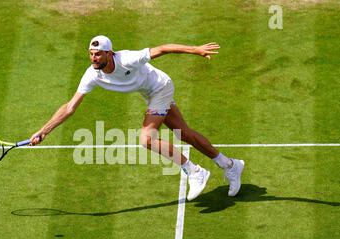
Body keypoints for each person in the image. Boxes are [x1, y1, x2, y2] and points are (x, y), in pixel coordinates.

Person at [29, 35, 245, 200]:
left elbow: (162, 49)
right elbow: (69, 107)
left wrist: (195, 50)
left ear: (109, 53)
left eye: (98, 54)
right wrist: (44, 131)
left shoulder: (127, 59)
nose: (93, 58)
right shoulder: (92, 75)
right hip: (150, 93)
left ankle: (195, 171)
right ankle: (230, 165)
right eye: (91, 54)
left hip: (161, 88)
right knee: (185, 134)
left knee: (146, 140)